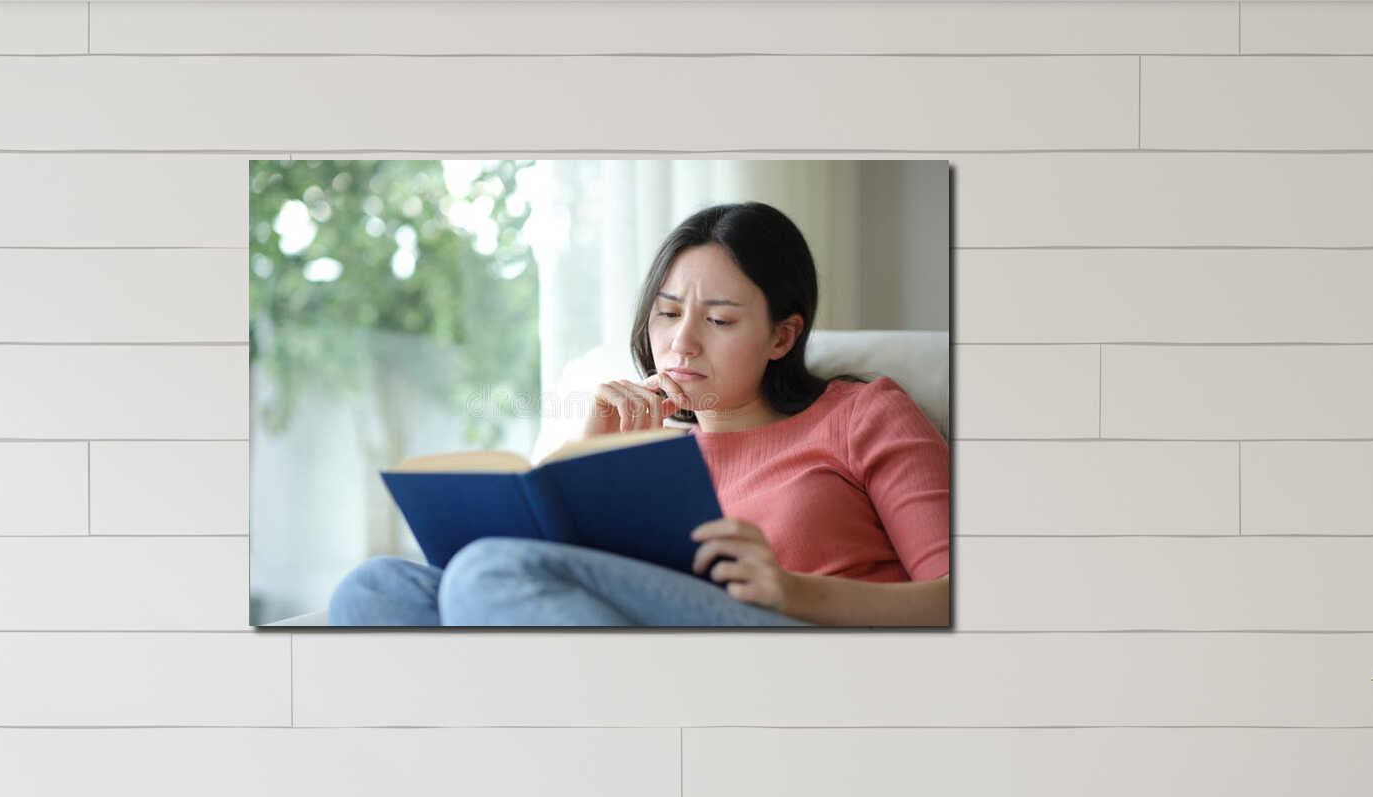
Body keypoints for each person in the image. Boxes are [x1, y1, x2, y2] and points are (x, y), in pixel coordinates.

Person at [326, 200, 950, 627]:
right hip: (656, 644)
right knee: (375, 588)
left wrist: (791, 590)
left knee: (493, 572)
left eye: (721, 320)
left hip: (795, 646)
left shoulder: (865, 414)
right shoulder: (649, 442)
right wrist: (585, 457)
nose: (681, 343)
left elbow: (963, 601)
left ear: (782, 337)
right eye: (668, 312)